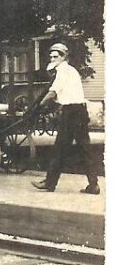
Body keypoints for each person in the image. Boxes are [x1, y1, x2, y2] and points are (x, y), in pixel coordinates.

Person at [32, 43, 101, 195]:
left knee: (59, 149)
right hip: (80, 111)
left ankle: (49, 184)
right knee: (85, 148)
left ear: (64, 57)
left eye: (55, 56)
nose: (52, 58)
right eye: (51, 56)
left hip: (72, 113)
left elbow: (52, 93)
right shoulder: (71, 71)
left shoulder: (63, 71)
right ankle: (93, 185)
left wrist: (38, 107)